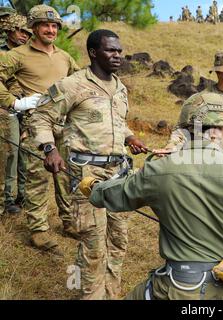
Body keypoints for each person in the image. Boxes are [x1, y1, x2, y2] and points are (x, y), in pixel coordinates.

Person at [79, 92, 223, 300]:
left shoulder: (158, 169)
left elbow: (115, 195)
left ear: (187, 129)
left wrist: (94, 187)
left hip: (175, 286)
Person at [31, 29, 148, 300]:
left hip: (119, 173)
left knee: (118, 239)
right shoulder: (71, 85)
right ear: (94, 53)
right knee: (93, 242)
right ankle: (91, 296)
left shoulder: (120, 88)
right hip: (87, 175)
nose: (117, 55)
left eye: (119, 50)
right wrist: (49, 149)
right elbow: (40, 117)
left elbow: (116, 121)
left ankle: (111, 292)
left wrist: (130, 136)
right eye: (110, 50)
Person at [0, 4, 79, 254]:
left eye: (54, 25)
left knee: (67, 175)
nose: (50, 29)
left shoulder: (64, 57)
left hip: (65, 124)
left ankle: (69, 221)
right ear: (33, 28)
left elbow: (80, 82)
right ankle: (39, 230)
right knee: (38, 177)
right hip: (35, 124)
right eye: (45, 25)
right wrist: (13, 102)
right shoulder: (16, 56)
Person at [0, 13, 31, 215]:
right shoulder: (2, 54)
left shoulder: (29, 54)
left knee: (26, 154)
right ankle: (7, 198)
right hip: (6, 109)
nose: (24, 35)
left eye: (28, 32)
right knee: (10, 153)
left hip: (28, 109)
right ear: (9, 30)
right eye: (20, 30)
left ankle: (24, 195)